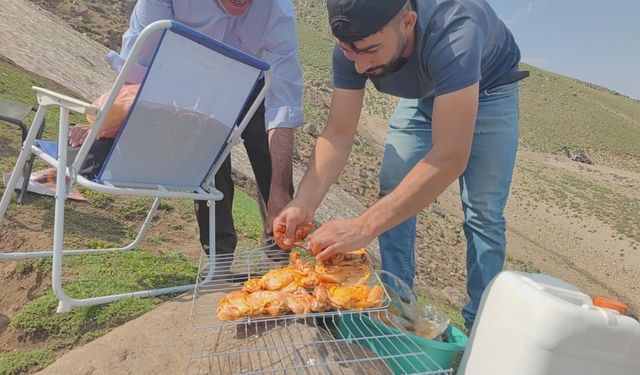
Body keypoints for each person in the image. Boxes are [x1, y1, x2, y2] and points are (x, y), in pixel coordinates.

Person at [273, 0, 527, 328]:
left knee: (484, 213)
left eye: (371, 50)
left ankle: (480, 325)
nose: (361, 67)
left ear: (408, 22)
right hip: (428, 91)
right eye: (350, 52)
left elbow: (451, 155)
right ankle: (398, 305)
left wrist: (364, 226)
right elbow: (338, 131)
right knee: (394, 186)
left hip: (491, 91)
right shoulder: (354, 48)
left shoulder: (456, 31)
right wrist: (303, 202)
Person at [69, 0, 304, 264]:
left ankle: (279, 254)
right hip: (185, 78)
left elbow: (282, 104)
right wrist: (105, 122)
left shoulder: (276, 10)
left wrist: (279, 190)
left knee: (270, 157)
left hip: (252, 82)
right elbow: (138, 70)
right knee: (208, 159)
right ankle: (220, 259)